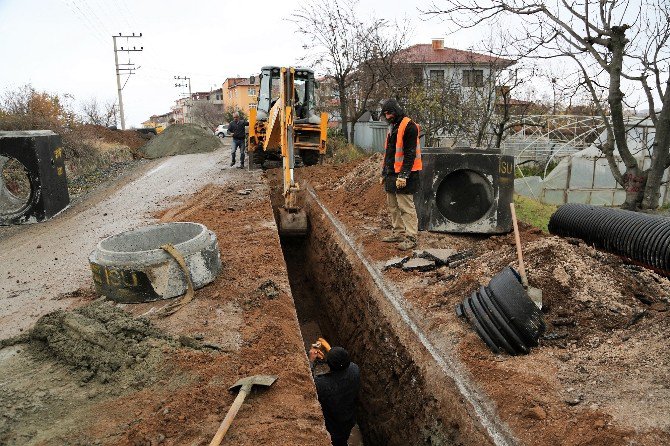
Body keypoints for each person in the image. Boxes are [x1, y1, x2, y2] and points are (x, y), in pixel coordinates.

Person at [379, 98, 422, 251]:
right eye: (385, 114)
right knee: (393, 206)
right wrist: (384, 172)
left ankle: (411, 237)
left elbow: (410, 154)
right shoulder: (393, 127)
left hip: (406, 174)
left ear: (396, 111)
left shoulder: (409, 126)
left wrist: (403, 175)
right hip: (391, 173)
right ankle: (398, 232)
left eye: (389, 113)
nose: (387, 116)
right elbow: (389, 153)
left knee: (406, 206)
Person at [309, 346, 360, 446]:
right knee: (342, 442)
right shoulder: (355, 369)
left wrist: (311, 361)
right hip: (348, 421)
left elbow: (308, 383)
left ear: (329, 364)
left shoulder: (322, 385)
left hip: (332, 426)